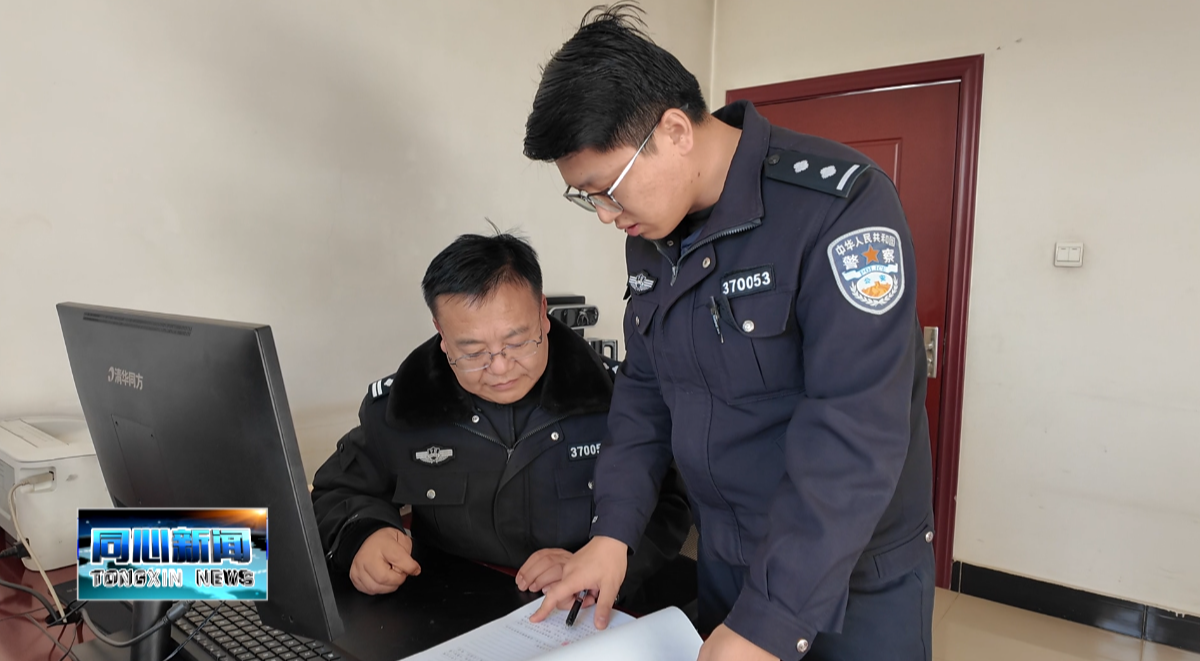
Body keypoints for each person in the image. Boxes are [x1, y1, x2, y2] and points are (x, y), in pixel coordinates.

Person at [522, 5, 935, 661]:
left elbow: (854, 431)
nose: (604, 214)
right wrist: (612, 533)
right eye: (586, 197)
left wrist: (771, 620)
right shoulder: (653, 233)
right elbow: (645, 390)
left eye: (607, 189)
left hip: (850, 573)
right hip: (729, 558)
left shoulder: (840, 207)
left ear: (675, 131)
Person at [310, 231, 693, 612]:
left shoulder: (617, 400)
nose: (499, 367)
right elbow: (337, 490)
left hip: (583, 615)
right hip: (448, 614)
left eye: (516, 342)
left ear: (542, 313)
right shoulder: (408, 406)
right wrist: (363, 534)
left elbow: (671, 503)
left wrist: (604, 561)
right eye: (472, 351)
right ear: (442, 334)